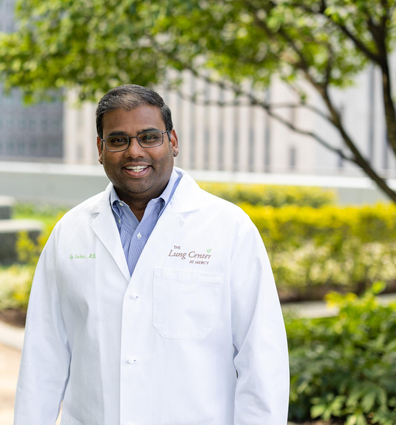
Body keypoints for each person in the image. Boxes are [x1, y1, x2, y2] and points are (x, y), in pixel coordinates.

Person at [14, 84, 290, 425]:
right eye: (118, 140)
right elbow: (43, 355)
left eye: (149, 137)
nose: (134, 151)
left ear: (172, 141)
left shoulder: (230, 229)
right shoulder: (69, 233)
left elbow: (261, 358)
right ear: (100, 149)